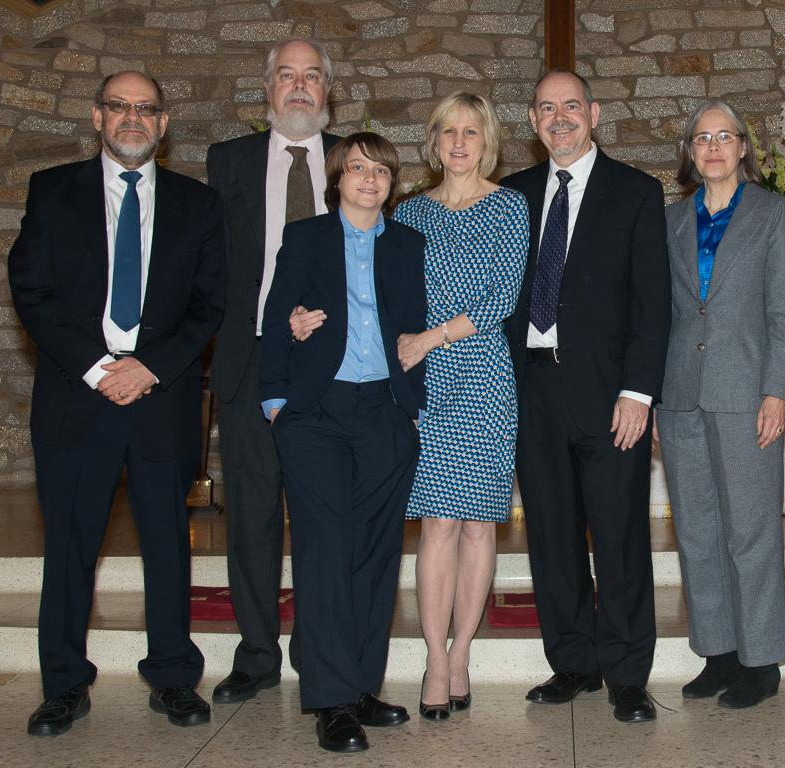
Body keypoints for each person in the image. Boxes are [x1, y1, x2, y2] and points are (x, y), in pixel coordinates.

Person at [9, 71, 226, 735]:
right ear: (97, 117)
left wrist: (148, 369)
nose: (132, 118)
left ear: (163, 125)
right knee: (70, 549)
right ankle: (63, 685)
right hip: (79, 399)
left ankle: (172, 677)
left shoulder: (198, 203)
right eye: (118, 107)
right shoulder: (52, 192)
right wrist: (103, 368)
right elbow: (32, 292)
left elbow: (210, 302)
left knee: (167, 545)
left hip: (160, 399)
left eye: (146, 109)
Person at [501, 69, 671, 724]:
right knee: (549, 532)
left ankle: (627, 673)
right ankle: (572, 661)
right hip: (531, 388)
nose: (559, 117)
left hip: (608, 396)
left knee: (621, 534)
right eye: (546, 108)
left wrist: (638, 392)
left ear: (593, 113)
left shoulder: (634, 192)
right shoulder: (509, 196)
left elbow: (651, 305)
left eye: (570, 105)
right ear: (534, 120)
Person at [259, 133, 427, 752]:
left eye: (380, 170)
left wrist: (413, 409)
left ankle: (360, 686)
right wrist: (277, 404)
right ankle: (330, 700)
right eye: (357, 168)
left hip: (385, 411)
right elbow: (277, 319)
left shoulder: (408, 244)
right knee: (326, 552)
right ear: (337, 178)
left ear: (391, 182)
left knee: (377, 554)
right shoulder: (306, 238)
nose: (369, 179)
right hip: (316, 414)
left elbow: (411, 327)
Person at [205, 38, 340, 705]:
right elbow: (208, 267)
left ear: (326, 91)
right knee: (251, 518)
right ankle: (256, 655)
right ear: (267, 88)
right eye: (285, 75)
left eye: (310, 76)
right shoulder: (226, 161)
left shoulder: (353, 159)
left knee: (322, 517)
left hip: (333, 367)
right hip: (252, 359)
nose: (297, 87)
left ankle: (319, 651)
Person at [655, 100, 785, 710]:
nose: (712, 146)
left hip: (746, 392)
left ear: (744, 148)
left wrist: (777, 392)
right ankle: (717, 653)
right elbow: (662, 310)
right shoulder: (671, 220)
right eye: (701, 137)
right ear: (691, 152)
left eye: (725, 136)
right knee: (696, 531)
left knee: (751, 530)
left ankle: (760, 659)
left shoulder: (772, 213)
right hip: (681, 391)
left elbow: (783, 311)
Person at [391, 92, 528, 721]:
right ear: (433, 140)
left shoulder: (509, 206)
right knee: (437, 523)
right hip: (423, 377)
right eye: (448, 130)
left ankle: (464, 650)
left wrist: (431, 336)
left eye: (471, 131)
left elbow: (502, 298)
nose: (459, 141)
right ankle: (434, 658)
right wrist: (408, 355)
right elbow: (392, 299)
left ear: (487, 141)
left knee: (477, 523)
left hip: (481, 375)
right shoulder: (408, 213)